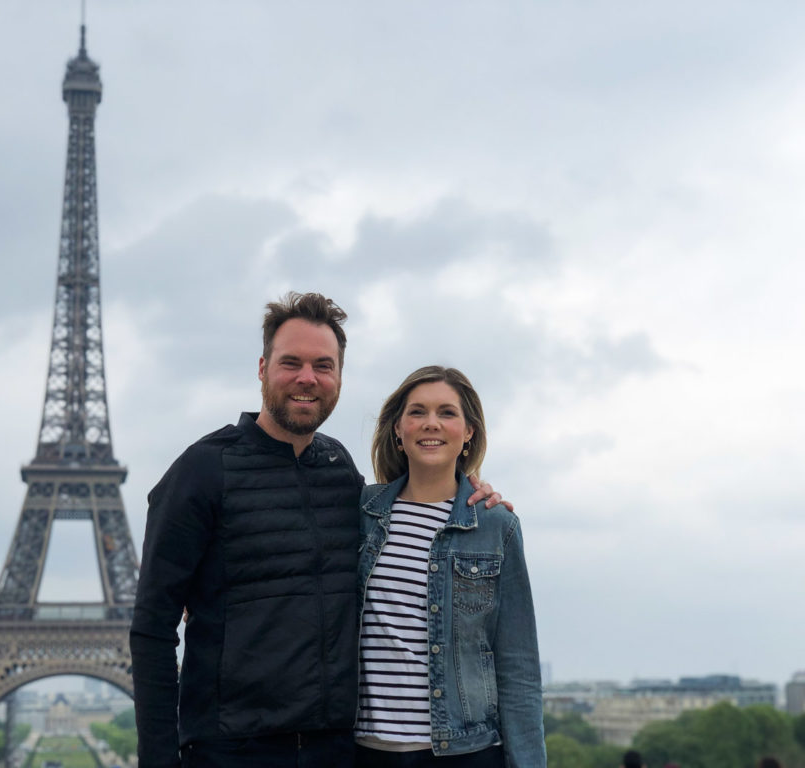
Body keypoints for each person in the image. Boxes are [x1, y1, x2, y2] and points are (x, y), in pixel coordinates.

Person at [131, 294, 503, 768]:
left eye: (323, 366)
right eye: (292, 363)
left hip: (338, 749)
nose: (308, 378)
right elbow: (152, 630)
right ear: (262, 368)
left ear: (339, 378)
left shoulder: (340, 469)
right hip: (232, 752)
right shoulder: (203, 471)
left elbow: (409, 511)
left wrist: (473, 495)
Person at [356, 366, 544, 767]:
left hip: (464, 754)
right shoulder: (360, 513)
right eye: (417, 412)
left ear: (469, 431)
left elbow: (519, 668)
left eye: (447, 412)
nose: (431, 424)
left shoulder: (496, 526)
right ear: (397, 429)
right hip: (363, 753)